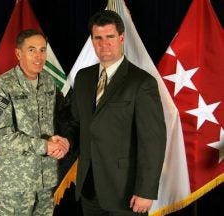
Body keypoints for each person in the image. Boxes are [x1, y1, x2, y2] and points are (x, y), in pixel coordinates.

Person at [70, 10, 167, 215]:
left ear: (121, 38)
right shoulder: (83, 78)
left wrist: (146, 191)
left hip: (125, 192)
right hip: (89, 187)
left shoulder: (141, 82)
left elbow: (153, 142)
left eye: (110, 37)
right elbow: (77, 124)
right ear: (92, 40)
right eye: (98, 38)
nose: (104, 44)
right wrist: (63, 141)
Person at [0, 29, 70, 215]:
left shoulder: (48, 83)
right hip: (14, 187)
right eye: (31, 50)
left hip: (44, 182)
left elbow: (63, 118)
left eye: (42, 50)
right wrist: (44, 146)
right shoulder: (3, 86)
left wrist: (62, 140)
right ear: (18, 53)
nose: (39, 56)